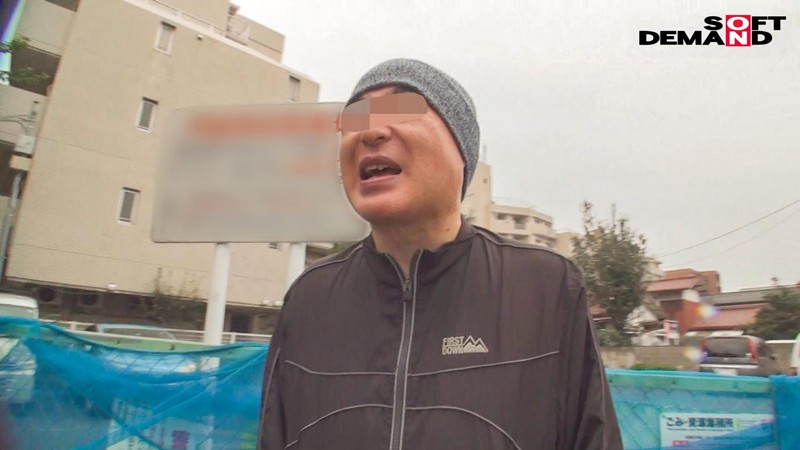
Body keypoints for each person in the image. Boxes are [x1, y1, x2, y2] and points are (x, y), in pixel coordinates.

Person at [258, 58, 623, 449]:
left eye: (402, 109)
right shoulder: (309, 299)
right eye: (354, 120)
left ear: (461, 150)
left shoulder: (546, 288)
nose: (371, 131)